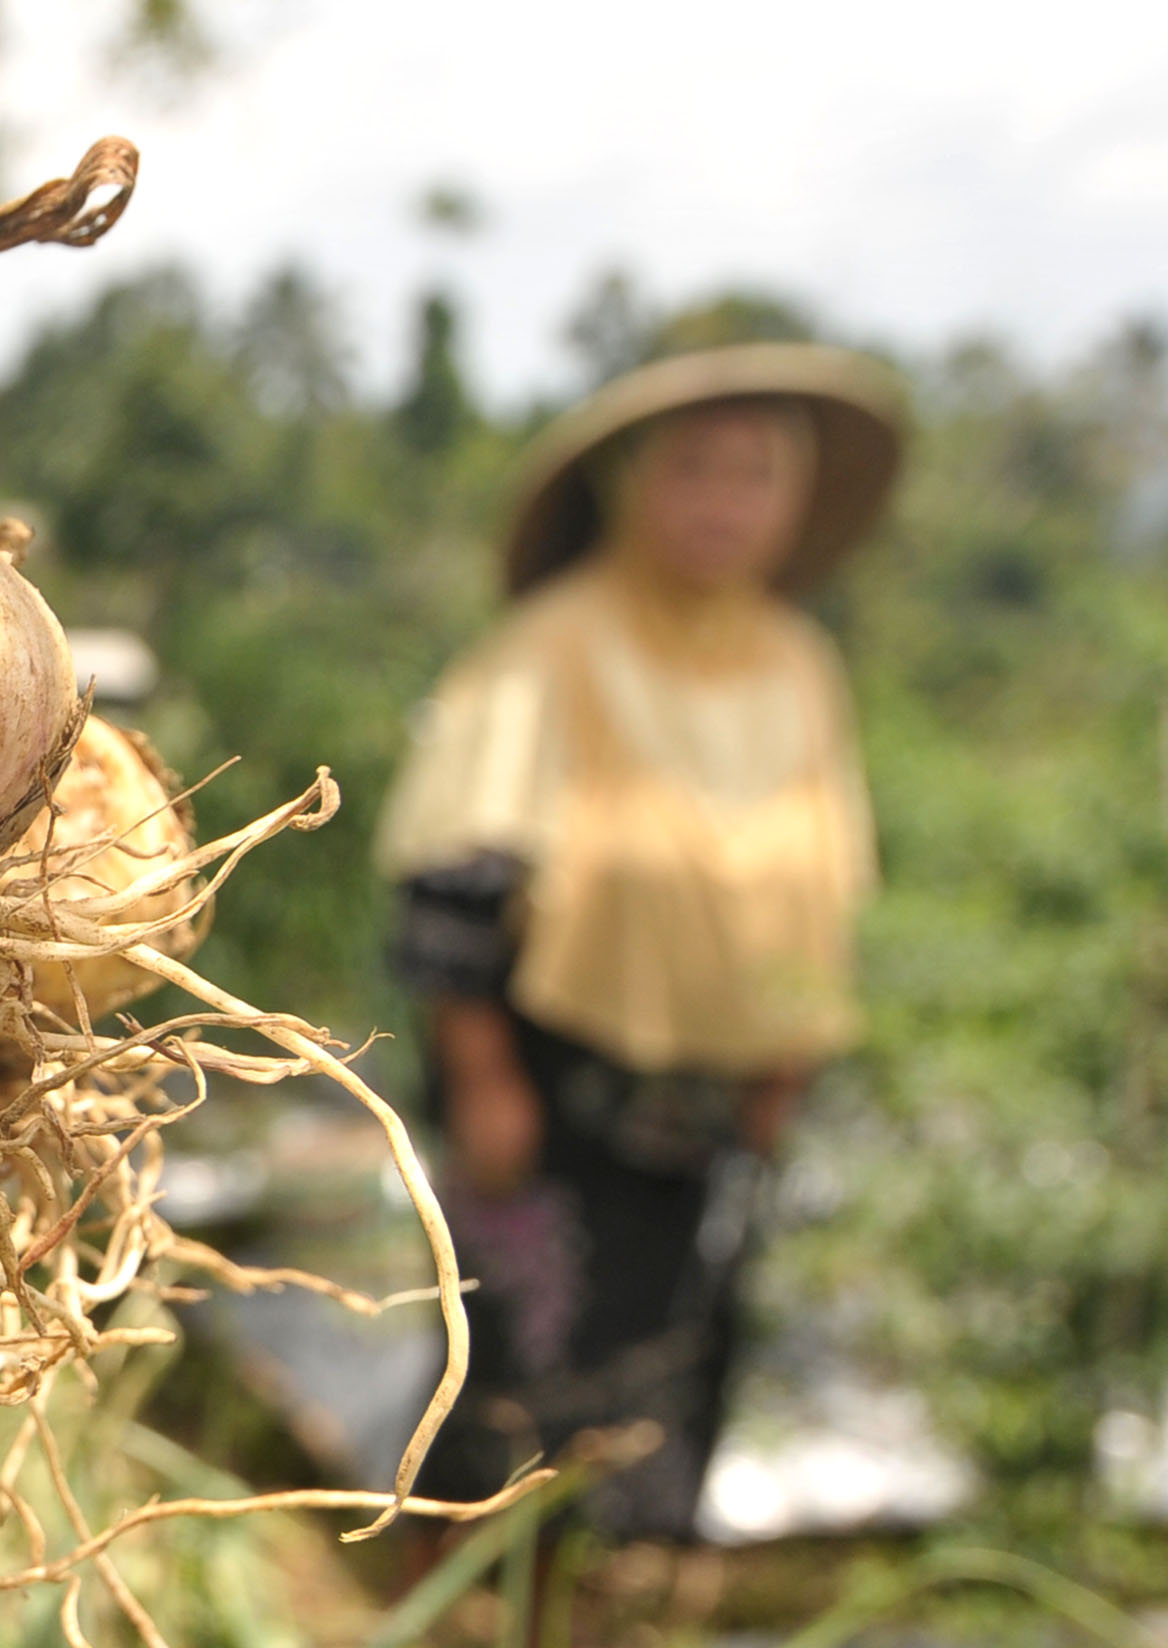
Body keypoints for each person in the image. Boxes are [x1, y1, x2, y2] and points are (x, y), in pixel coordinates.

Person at [381, 344, 905, 1557]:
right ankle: (466, 1592)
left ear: (797, 501)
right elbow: (455, 874)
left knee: (681, 1339)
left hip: (718, 1103)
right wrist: (482, 1078)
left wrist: (790, 1061)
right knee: (520, 1339)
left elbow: (826, 879)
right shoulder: (548, 648)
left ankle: (631, 1606)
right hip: (548, 1079)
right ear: (631, 485)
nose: (724, 503)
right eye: (695, 471)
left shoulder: (798, 665)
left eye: (756, 476)